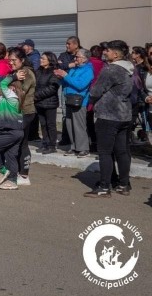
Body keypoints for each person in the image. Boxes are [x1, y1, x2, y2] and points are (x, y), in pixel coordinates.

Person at [84, 40, 134, 198]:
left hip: (108, 115)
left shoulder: (111, 69)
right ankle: (123, 185)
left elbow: (96, 90)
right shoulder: (129, 68)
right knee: (122, 151)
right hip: (124, 114)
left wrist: (92, 98)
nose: (105, 52)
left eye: (108, 50)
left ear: (117, 54)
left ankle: (104, 187)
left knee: (105, 152)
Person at [0, 75, 25, 190]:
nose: (2, 89)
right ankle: (12, 181)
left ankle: (1, 170)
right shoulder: (8, 100)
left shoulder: (11, 97)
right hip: (16, 132)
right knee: (11, 156)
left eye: (7, 88)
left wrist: (14, 76)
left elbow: (3, 84)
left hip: (9, 131)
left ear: (12, 89)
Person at [54, 48, 94, 157]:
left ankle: (83, 148)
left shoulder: (88, 70)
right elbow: (68, 82)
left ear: (85, 59)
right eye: (75, 56)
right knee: (69, 124)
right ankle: (74, 146)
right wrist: (60, 76)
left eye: (77, 57)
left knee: (78, 125)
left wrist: (65, 75)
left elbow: (80, 85)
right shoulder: (74, 69)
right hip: (69, 99)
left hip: (80, 101)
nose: (75, 58)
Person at [8, 49, 36, 185]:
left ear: (22, 60)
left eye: (14, 60)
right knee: (15, 142)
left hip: (26, 111)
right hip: (13, 112)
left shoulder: (27, 73)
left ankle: (24, 175)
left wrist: (10, 85)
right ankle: (15, 171)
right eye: (10, 60)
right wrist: (10, 82)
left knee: (22, 142)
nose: (11, 63)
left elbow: (19, 92)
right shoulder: (13, 74)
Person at [34, 52, 61, 154]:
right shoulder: (39, 71)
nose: (41, 60)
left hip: (50, 103)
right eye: (41, 58)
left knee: (51, 124)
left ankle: (52, 145)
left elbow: (52, 88)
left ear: (50, 60)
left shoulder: (54, 72)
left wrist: (36, 95)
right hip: (39, 102)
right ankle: (45, 142)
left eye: (43, 59)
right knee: (43, 124)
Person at [86, 46, 105, 152]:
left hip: (89, 93)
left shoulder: (89, 63)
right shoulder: (103, 64)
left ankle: (93, 142)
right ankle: (98, 142)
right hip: (100, 94)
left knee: (88, 119)